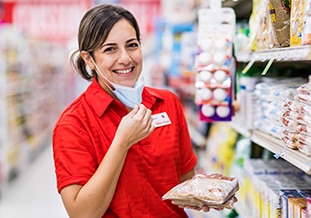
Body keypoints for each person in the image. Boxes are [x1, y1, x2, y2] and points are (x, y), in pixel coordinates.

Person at [52, 4, 216, 217]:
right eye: (110, 49)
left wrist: (206, 192)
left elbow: (185, 180)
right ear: (89, 59)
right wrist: (122, 142)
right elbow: (82, 214)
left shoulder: (167, 103)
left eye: (131, 45)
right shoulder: (74, 123)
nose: (125, 58)